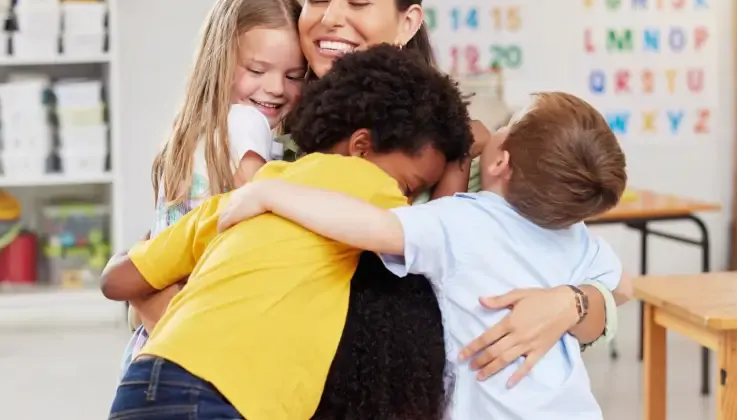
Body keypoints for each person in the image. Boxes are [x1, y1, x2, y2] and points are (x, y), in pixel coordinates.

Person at [101, 45, 474, 420]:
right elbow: (432, 236)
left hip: (143, 382)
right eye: (409, 186)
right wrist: (462, 159)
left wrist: (139, 248)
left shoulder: (239, 201)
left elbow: (116, 282)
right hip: (222, 401)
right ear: (360, 147)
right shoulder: (369, 187)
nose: (405, 200)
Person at [218, 91, 627, 419]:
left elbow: (372, 225)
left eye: (507, 126)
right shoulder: (575, 235)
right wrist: (570, 298)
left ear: (501, 161)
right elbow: (622, 286)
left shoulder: (463, 220)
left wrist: (270, 191)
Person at [119, 0, 306, 374]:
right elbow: (266, 204)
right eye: (257, 70)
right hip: (203, 343)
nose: (276, 88)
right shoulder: (244, 121)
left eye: (294, 75)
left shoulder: (193, 131)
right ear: (220, 62)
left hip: (155, 346)